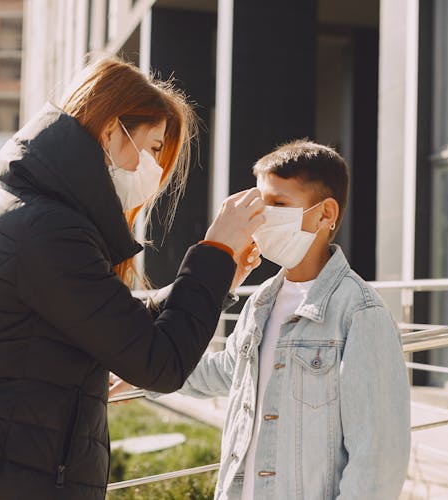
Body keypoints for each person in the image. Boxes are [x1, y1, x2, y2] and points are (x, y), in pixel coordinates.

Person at [0, 57, 265, 500]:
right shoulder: (50, 228)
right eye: (154, 147)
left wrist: (218, 279)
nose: (156, 170)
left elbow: (112, 319)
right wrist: (215, 253)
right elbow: (160, 362)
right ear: (110, 132)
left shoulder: (35, 209)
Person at [113, 140, 411, 499]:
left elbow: (378, 461)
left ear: (325, 214)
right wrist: (144, 371)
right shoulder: (263, 298)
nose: (263, 218)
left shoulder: (360, 313)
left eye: (279, 205)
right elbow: (227, 371)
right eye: (261, 204)